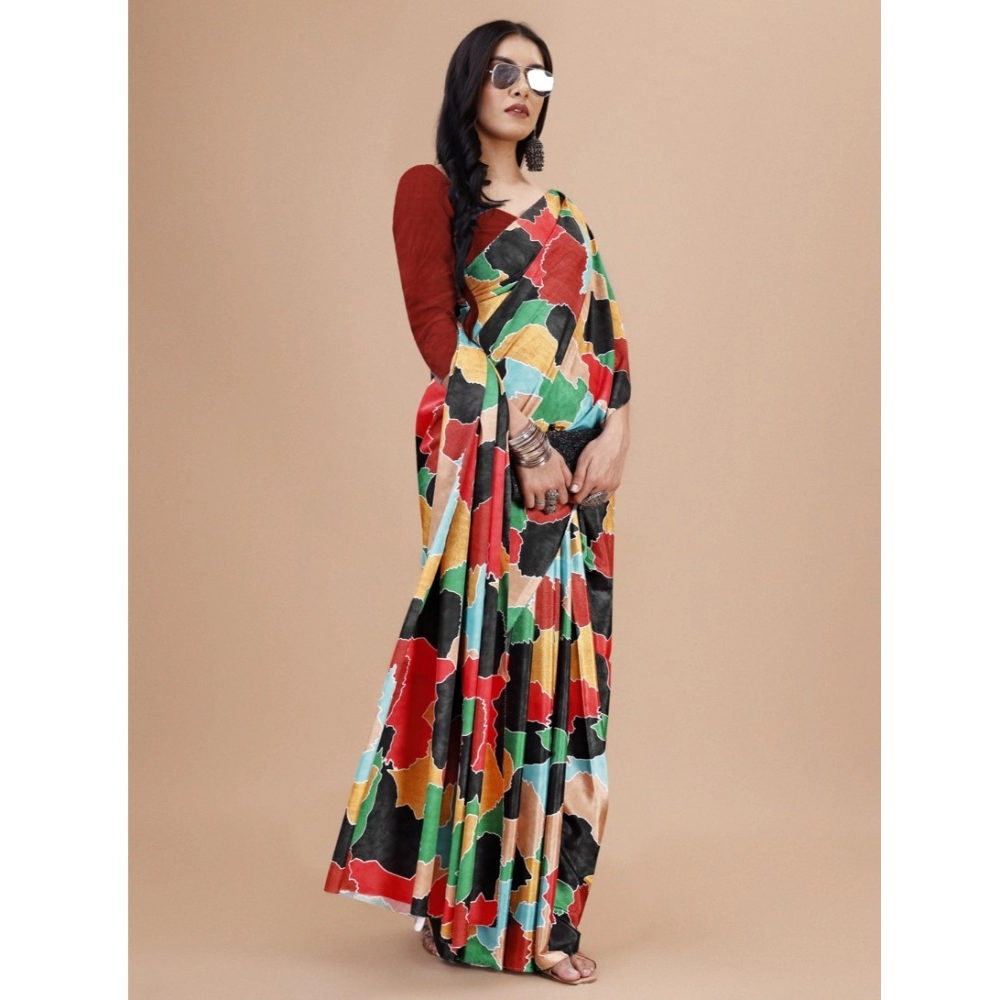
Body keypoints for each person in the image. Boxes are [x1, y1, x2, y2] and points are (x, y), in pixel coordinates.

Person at [324, 19, 632, 986]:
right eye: (503, 71)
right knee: (489, 668)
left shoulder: (567, 213)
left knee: (562, 686)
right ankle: (467, 910)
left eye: (538, 75)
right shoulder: (432, 191)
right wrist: (525, 444)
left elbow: (606, 338)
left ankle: (544, 920)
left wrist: (618, 429)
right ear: (469, 83)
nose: (522, 87)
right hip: (492, 470)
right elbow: (436, 331)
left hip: (575, 488)